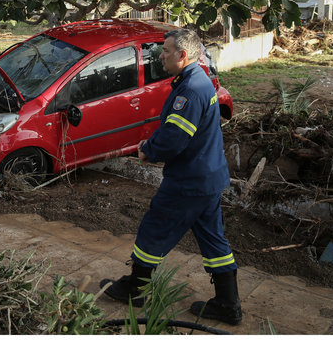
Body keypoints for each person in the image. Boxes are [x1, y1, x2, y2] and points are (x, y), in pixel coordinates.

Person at [99, 28, 242, 325]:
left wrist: (148, 150)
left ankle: (135, 289)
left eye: (165, 51)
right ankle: (228, 303)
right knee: (213, 240)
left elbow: (175, 139)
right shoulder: (198, 79)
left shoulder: (190, 90)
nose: (160, 55)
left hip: (189, 181)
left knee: (154, 228)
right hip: (209, 178)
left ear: (182, 55)